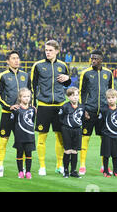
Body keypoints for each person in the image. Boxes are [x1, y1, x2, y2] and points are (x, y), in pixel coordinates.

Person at [31, 40, 71, 176]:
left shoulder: (63, 65)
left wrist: (68, 78)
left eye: (50, 50)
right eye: (46, 50)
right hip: (43, 106)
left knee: (60, 137)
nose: (47, 52)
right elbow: (32, 86)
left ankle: (59, 165)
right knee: (42, 137)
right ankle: (42, 166)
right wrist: (33, 104)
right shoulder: (38, 66)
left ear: (57, 51)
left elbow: (67, 84)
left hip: (59, 106)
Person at [0, 50, 30, 177]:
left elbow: (31, 92)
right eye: (13, 58)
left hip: (22, 115)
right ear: (8, 61)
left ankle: (23, 168)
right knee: (3, 140)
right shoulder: (2, 76)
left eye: (18, 58)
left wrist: (30, 106)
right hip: (7, 114)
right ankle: (0, 166)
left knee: (22, 142)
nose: (16, 60)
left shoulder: (25, 75)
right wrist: (8, 106)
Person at [78, 50, 114, 175]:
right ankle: (82, 165)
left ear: (101, 60)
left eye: (95, 59)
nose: (93, 61)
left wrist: (111, 109)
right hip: (89, 110)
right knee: (85, 138)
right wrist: (83, 109)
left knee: (104, 139)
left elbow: (111, 93)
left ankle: (104, 166)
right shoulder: (86, 73)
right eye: (92, 58)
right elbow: (81, 92)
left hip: (104, 111)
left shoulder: (108, 73)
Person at [58, 87, 85, 178]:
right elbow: (60, 118)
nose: (75, 97)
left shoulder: (82, 107)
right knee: (68, 150)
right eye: (73, 96)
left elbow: (82, 118)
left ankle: (73, 171)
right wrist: (66, 126)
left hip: (77, 130)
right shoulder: (65, 106)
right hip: (67, 130)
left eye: (77, 95)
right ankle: (66, 171)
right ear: (68, 97)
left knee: (75, 151)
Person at [12, 88, 35, 179]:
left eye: (28, 96)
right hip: (19, 136)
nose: (26, 98)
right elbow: (13, 123)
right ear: (20, 98)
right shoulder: (16, 109)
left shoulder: (32, 109)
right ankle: (20, 171)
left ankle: (28, 172)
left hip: (29, 136)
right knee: (19, 153)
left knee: (29, 154)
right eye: (24, 96)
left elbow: (32, 121)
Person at [99, 89, 117, 178]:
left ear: (116, 98)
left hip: (116, 135)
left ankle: (115, 171)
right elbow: (100, 122)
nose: (110, 100)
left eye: (113, 97)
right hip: (106, 135)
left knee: (115, 154)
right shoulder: (104, 109)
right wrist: (103, 132)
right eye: (108, 98)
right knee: (106, 154)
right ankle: (105, 171)